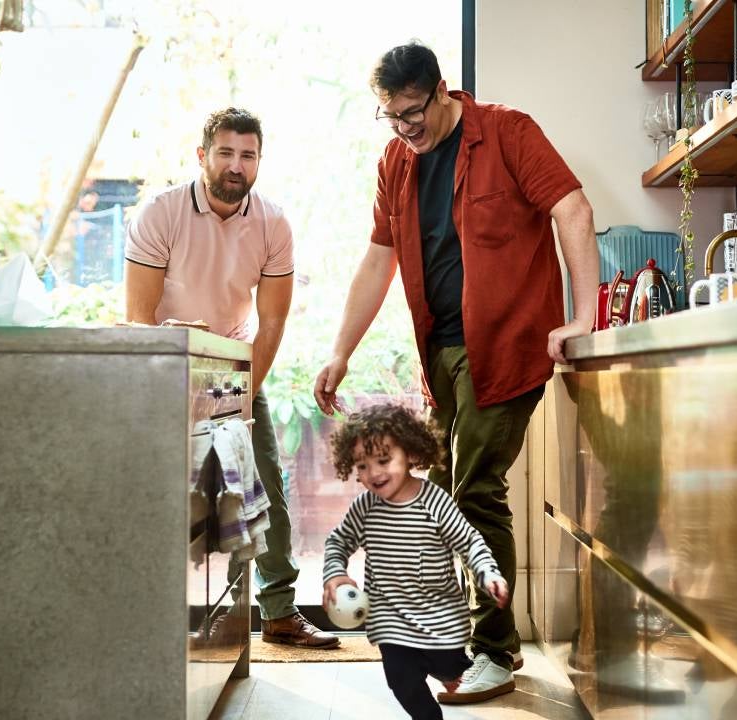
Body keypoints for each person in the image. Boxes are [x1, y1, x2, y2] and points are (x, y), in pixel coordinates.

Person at [312, 42, 599, 701]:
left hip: (505, 346)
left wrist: (585, 316)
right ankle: (451, 639)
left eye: (413, 113)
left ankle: (496, 651)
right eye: (391, 117)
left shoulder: (507, 131)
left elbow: (573, 210)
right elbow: (378, 258)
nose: (405, 129)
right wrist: (339, 349)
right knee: (434, 496)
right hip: (439, 351)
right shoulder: (396, 161)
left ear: (442, 90)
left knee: (473, 490)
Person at [126, 106, 339, 649]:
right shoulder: (159, 213)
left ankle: (279, 612)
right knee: (165, 494)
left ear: (259, 162)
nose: (236, 166)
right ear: (203, 156)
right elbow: (137, 319)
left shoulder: (273, 223)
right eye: (225, 153)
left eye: (248, 155)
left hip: (236, 368)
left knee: (264, 484)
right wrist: (176, 379)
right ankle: (150, 616)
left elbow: (273, 320)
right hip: (166, 366)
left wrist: (244, 398)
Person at [322, 403, 511, 718]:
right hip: (391, 622)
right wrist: (335, 573)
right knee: (401, 680)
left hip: (440, 619)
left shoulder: (435, 501)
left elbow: (469, 540)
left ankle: (453, 670)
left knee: (448, 665)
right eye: (363, 465)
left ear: (410, 453)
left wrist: (488, 573)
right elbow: (338, 541)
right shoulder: (365, 507)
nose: (375, 473)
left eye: (384, 460)